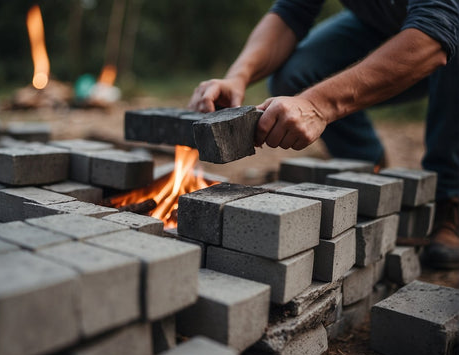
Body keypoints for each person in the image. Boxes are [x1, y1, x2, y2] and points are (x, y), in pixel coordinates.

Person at [188, 0, 459, 269]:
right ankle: (369, 177)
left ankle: (451, 199)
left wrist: (319, 105)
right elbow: (291, 12)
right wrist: (238, 76)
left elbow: (435, 31)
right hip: (385, 25)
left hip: (441, 28)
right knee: (298, 74)